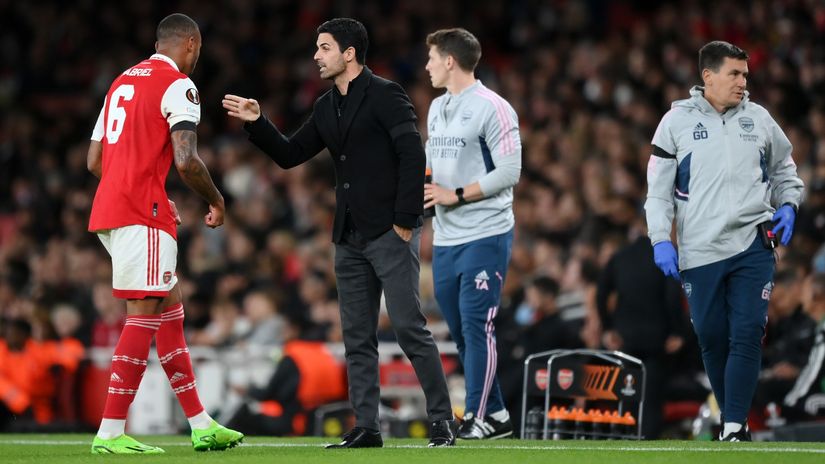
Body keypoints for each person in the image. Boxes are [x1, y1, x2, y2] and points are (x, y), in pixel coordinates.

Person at [222, 17, 454, 448]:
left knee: (408, 327)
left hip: (390, 230)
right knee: (357, 339)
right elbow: (291, 155)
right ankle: (367, 426)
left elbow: (411, 154)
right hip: (348, 236)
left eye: (324, 47)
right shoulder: (326, 106)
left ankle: (441, 419)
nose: (316, 55)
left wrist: (406, 220)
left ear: (349, 54)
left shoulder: (387, 95)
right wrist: (257, 123)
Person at [87, 13, 243, 454]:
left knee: (169, 308)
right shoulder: (179, 85)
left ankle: (200, 424)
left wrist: (138, 188)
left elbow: (94, 162)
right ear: (191, 44)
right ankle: (111, 432)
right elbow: (187, 160)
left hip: (112, 210)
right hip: (142, 213)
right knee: (143, 314)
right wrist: (217, 200)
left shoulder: (119, 82)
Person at [645, 40, 804, 441]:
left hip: (754, 242)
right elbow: (658, 192)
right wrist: (660, 239)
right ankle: (734, 420)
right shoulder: (674, 123)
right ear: (708, 76)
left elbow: (785, 167)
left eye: (745, 74)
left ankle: (733, 425)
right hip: (700, 248)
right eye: (734, 74)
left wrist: (788, 203)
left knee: (748, 330)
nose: (742, 82)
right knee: (712, 337)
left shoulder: (760, 119)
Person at [422, 28, 521, 440]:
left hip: (486, 231)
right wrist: (426, 191)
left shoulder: (493, 108)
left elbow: (510, 171)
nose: (426, 65)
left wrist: (455, 194)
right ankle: (495, 413)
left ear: (449, 60)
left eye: (431, 58)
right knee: (462, 329)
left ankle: (476, 417)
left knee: (478, 326)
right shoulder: (435, 107)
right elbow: (433, 164)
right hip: (447, 237)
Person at [596, 220, 688, 439]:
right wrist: (679, 331)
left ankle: (623, 436)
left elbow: (601, 294)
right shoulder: (665, 256)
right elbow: (672, 296)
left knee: (627, 392)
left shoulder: (620, 257)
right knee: (651, 397)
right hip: (656, 340)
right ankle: (647, 440)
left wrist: (608, 327)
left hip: (625, 339)